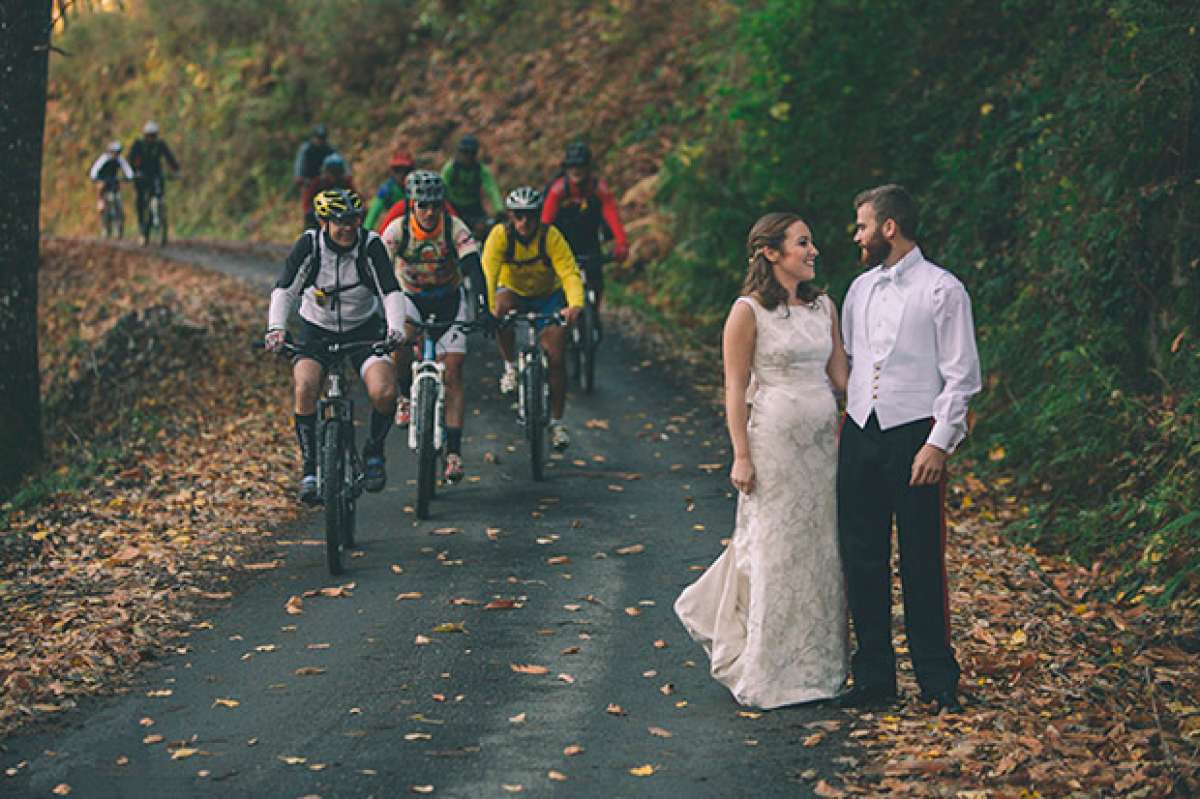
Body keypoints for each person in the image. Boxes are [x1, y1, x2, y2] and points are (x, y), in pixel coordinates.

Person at [674, 212, 850, 709]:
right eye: (802, 242)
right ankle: (770, 670)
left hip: (821, 451)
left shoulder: (824, 308)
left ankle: (819, 668)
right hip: (772, 445)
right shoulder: (747, 312)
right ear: (772, 253)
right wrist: (742, 455)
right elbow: (734, 389)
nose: (813, 251)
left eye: (811, 242)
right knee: (776, 547)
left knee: (819, 549)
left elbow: (842, 378)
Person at [836, 184, 982, 714]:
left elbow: (962, 377)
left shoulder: (944, 290)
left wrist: (938, 443)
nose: (857, 235)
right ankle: (874, 676)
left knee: (921, 558)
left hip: (915, 437)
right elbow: (852, 361)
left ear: (889, 228)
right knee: (862, 554)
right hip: (860, 435)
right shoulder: (858, 291)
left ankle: (937, 680)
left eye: (863, 225)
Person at [265, 188, 405, 502]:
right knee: (305, 386)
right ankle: (311, 468)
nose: (347, 228)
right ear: (323, 221)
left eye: (353, 220)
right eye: (339, 221)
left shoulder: (370, 247)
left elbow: (391, 291)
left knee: (384, 392)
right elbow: (285, 290)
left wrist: (395, 328)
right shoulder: (310, 246)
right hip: (316, 331)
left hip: (363, 330)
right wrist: (276, 329)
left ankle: (374, 452)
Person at [380, 170, 491, 484]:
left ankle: (453, 453)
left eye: (435, 205)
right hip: (411, 297)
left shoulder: (454, 228)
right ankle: (404, 397)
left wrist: (483, 305)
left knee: (453, 371)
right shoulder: (398, 229)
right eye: (423, 205)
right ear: (412, 204)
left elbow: (473, 267)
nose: (429, 212)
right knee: (399, 341)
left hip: (449, 299)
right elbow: (378, 267)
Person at [481, 186, 583, 450]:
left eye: (531, 215)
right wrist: (488, 308)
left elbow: (569, 272)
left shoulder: (551, 237)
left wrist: (575, 305)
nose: (525, 222)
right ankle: (510, 367)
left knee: (557, 356)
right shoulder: (500, 236)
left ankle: (557, 423)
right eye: (518, 216)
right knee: (500, 312)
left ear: (539, 216)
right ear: (510, 217)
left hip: (548, 296)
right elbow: (488, 274)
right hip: (513, 292)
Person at [540, 141, 629, 310]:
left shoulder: (599, 189)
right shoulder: (558, 190)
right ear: (566, 169)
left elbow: (612, 216)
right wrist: (542, 246)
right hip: (563, 241)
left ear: (588, 167)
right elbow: (546, 221)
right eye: (572, 166)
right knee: (559, 286)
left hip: (589, 241)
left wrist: (621, 243)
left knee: (596, 283)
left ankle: (593, 313)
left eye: (580, 166)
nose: (576, 170)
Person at [441, 134, 505, 237]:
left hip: (474, 208)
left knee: (487, 231)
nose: (468, 157)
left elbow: (492, 190)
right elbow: (442, 188)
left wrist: (499, 209)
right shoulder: (450, 169)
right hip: (453, 206)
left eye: (472, 153)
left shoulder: (481, 170)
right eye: (465, 153)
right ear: (459, 153)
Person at [127, 121, 180, 241]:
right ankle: (142, 226)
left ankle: (160, 218)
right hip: (141, 176)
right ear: (145, 135)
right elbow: (130, 159)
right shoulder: (138, 145)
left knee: (158, 196)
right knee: (141, 200)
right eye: (149, 136)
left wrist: (176, 170)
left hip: (156, 175)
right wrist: (133, 172)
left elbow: (169, 157)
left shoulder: (160, 145)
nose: (151, 138)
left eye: (154, 136)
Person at [302, 153, 357, 229]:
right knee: (310, 217)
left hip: (341, 212)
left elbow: (355, 196)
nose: (334, 176)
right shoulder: (318, 182)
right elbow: (307, 200)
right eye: (332, 172)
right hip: (321, 212)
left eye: (337, 172)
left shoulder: (345, 182)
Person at [364, 150, 415, 231]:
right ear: (392, 171)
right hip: (392, 228)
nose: (402, 174)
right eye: (397, 170)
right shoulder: (387, 189)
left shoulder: (417, 188)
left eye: (406, 170)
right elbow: (372, 215)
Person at [88, 140, 134, 213]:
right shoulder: (104, 158)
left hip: (113, 178)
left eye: (117, 152)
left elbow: (127, 168)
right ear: (110, 151)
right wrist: (94, 177)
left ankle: (119, 208)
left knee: (118, 187)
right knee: (101, 186)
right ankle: (100, 202)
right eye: (114, 152)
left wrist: (130, 177)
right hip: (102, 177)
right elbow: (95, 168)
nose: (115, 154)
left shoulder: (120, 159)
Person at [293, 124, 335, 198]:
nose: (320, 141)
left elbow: (338, 161)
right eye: (318, 138)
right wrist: (299, 176)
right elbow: (300, 164)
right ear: (313, 138)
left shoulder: (329, 149)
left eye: (323, 138)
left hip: (323, 180)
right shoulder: (306, 149)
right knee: (307, 203)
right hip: (308, 181)